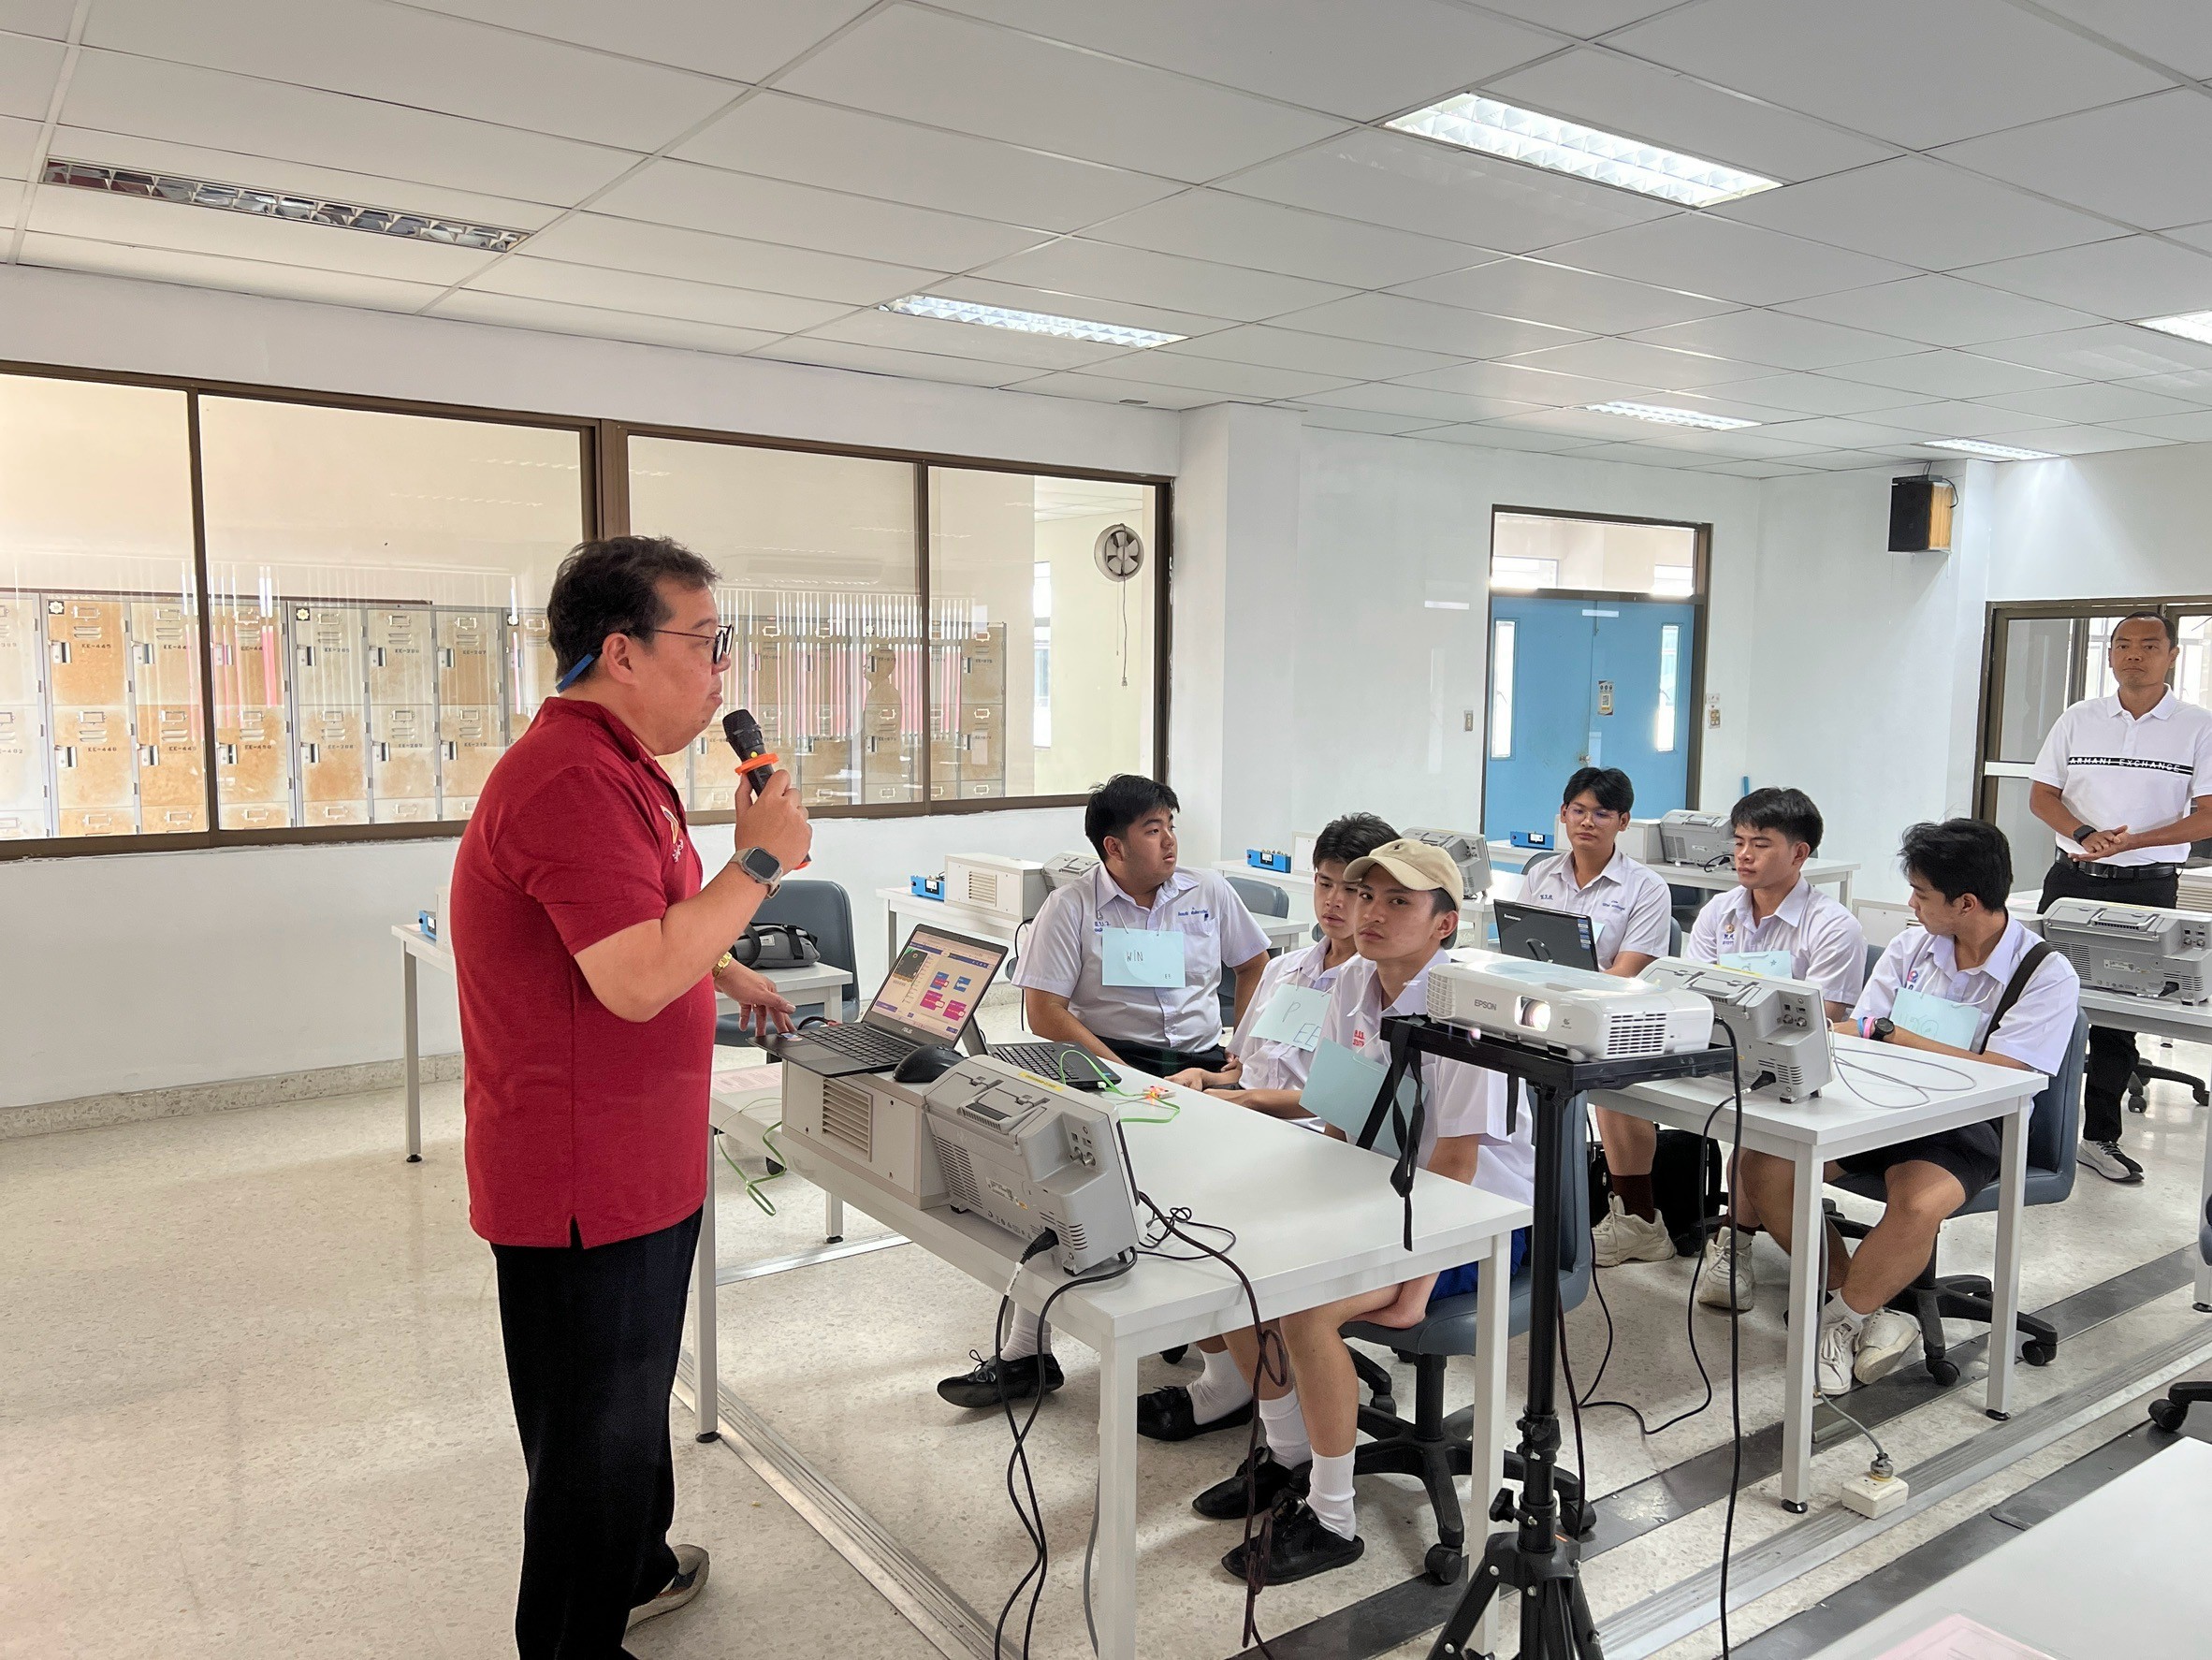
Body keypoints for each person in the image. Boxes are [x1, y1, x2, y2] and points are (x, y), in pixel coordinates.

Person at [450, 536, 813, 1659]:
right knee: (591, 1435)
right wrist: (759, 863)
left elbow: (644, 924)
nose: (721, 671)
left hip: (636, 1161)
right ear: (621, 652)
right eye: (704, 642)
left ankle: (638, 1565)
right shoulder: (569, 779)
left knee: (629, 1397)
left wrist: (729, 965)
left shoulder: (619, 764)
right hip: (584, 1182)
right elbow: (637, 976)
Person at [1208, 838, 1534, 1585]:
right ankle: (1291, 1460)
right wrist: (1307, 1214)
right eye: (1364, 896)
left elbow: (1458, 1164)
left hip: (1479, 1221)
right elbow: (1341, 1114)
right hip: (1387, 1194)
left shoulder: (1466, 1011)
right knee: (1238, 1268)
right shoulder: (1354, 981)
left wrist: (1417, 1281)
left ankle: (1333, 1518)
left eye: (1397, 901)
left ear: (1444, 924)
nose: (1369, 913)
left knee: (1307, 1311)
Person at [935, 773, 1272, 1410]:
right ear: (1114, 847)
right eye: (1153, 829)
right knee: (1058, 1196)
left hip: (1201, 1065)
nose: (1170, 842)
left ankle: (1226, 1369)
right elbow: (1045, 1011)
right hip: (1109, 1061)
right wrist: (1123, 1076)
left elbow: (1254, 963)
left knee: (1209, 1202)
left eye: (1171, 826)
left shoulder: (1207, 892)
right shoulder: (1072, 908)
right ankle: (1026, 1355)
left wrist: (1244, 1045)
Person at [1731, 820, 2080, 1394]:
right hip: (1881, 1104)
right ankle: (1859, 1304)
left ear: (1966, 903)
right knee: (1766, 1165)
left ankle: (1839, 1323)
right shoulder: (1911, 946)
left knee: (1917, 1204)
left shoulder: (2044, 973)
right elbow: (1865, 1029)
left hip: (1969, 1124)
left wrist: (1901, 1037)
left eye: (1921, 893)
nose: (1911, 904)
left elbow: (2007, 1072)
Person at [1132, 810, 1399, 1445]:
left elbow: (1345, 1103)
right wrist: (1211, 1081)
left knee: (1205, 1217)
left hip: (1317, 1140)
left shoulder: (1376, 986)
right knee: (1150, 1189)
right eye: (1324, 884)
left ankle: (1252, 1398)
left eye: (1353, 890)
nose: (1335, 903)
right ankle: (1228, 1373)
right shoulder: (1286, 970)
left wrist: (1247, 1100)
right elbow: (1244, 1064)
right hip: (1250, 1122)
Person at [2029, 610, 2212, 1186]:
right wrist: (2085, 833)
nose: (2135, 654)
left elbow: (2207, 815)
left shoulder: (2198, 726)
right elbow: (2042, 796)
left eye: (2149, 645)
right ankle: (2029, 1128)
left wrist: (2136, 841)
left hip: (2147, 887)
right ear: (2110, 656)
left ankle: (2099, 1137)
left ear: (2172, 655)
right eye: (2124, 645)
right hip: (2072, 880)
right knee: (2042, 1000)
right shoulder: (2079, 718)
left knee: (2121, 1012)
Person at [1684, 787, 1868, 1311]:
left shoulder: (1832, 926)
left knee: (1754, 1147)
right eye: (1739, 842)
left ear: (1799, 853)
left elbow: (1825, 1019)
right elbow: (1691, 989)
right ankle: (1733, 1244)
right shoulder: (1720, 911)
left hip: (1803, 1076)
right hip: (1727, 1056)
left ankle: (1843, 1292)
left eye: (1760, 844)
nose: (1744, 855)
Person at [1518, 766, 1675, 1266]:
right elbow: (1518, 953)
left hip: (1614, 1019)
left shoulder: (1646, 888)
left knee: (1606, 1080)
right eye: (1578, 810)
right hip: (1543, 1009)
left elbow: (1626, 975)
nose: (1587, 822)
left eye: (1602, 813)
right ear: (1563, 814)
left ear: (1623, 821)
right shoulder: (1540, 875)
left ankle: (1639, 1220)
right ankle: (1521, 1200)